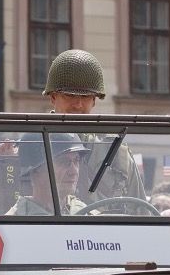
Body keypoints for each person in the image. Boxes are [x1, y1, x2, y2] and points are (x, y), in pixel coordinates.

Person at [42, 49, 146, 203]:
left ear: (94, 101)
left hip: (107, 227)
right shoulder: (35, 143)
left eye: (85, 97)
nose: (78, 105)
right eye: (69, 95)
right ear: (53, 97)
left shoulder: (115, 150)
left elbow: (140, 211)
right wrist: (3, 163)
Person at [5, 133, 88, 215]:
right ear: (35, 170)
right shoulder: (12, 223)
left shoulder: (88, 214)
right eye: (63, 161)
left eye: (76, 160)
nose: (74, 172)